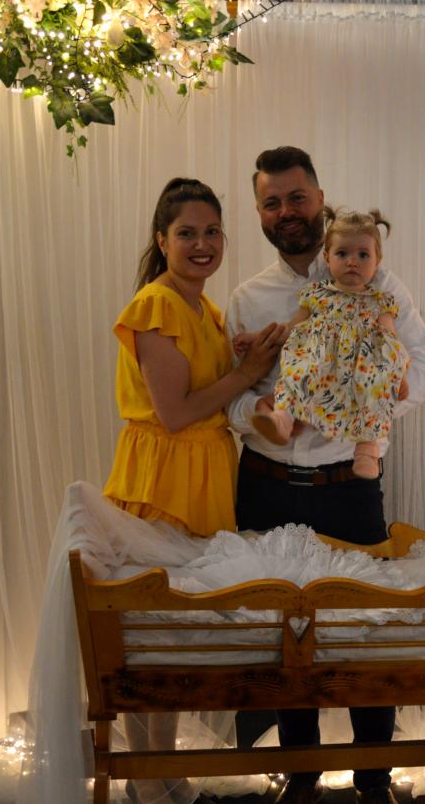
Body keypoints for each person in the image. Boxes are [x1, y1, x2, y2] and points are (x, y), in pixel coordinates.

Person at [226, 148, 425, 804]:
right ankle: (301, 777)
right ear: (259, 212)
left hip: (348, 484)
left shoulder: (380, 284)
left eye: (297, 197)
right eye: (272, 202)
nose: (286, 212)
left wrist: (353, 405)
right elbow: (231, 394)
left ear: (320, 199)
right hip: (265, 484)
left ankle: (374, 778)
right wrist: (259, 413)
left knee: (364, 629)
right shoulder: (248, 298)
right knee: (286, 635)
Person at [103, 177, 283, 803]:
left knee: (175, 638)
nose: (202, 244)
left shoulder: (204, 308)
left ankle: (163, 772)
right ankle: (146, 781)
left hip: (203, 475)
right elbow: (176, 413)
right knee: (151, 636)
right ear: (162, 240)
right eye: (187, 233)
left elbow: (214, 389)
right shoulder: (156, 305)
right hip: (165, 476)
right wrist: (247, 371)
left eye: (212, 232)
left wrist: (248, 358)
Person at [235, 207, 408, 479]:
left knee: (374, 386)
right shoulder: (316, 294)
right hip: (319, 360)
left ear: (377, 260)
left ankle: (366, 448)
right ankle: (283, 420)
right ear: (327, 258)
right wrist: (257, 337)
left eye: (363, 255)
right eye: (342, 254)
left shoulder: (380, 300)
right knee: (297, 372)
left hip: (361, 366)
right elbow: (289, 329)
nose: (352, 262)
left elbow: (391, 340)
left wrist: (398, 375)